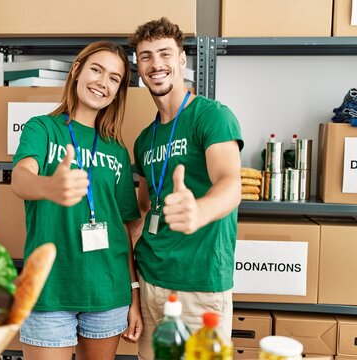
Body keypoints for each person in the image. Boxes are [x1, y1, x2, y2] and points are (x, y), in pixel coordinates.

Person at [11, 41, 142, 360]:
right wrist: (49, 186)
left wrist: (134, 296)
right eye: (96, 70)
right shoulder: (42, 128)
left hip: (108, 292)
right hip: (49, 290)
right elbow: (21, 177)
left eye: (114, 78)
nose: (103, 82)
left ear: (118, 90)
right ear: (76, 71)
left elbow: (126, 228)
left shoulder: (117, 150)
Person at [128, 17, 244, 359]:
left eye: (165, 53)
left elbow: (229, 183)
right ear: (138, 67)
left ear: (182, 59)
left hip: (198, 284)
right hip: (150, 281)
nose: (156, 64)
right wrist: (132, 286)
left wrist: (199, 211)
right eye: (146, 56)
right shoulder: (143, 140)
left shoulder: (212, 116)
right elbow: (145, 209)